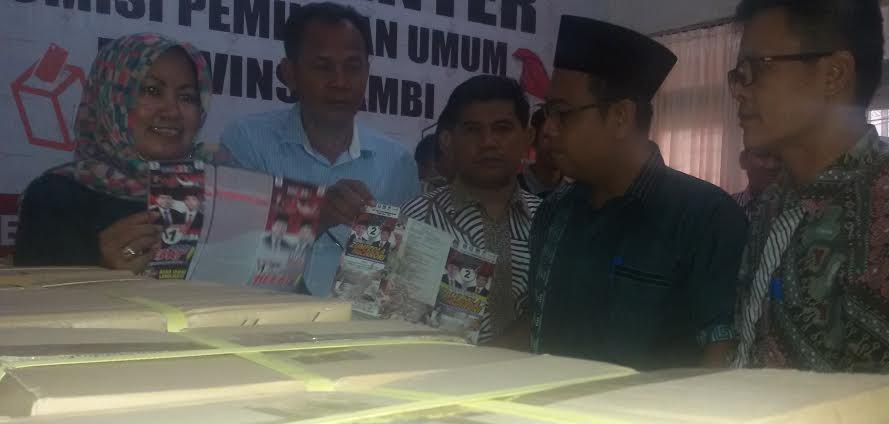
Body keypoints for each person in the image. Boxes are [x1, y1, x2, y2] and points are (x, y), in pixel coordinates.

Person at [529, 16, 748, 370]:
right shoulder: (554, 211)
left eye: (562, 114)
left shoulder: (706, 218)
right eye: (546, 113)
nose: (548, 130)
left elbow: (720, 356)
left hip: (656, 408)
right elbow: (536, 325)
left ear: (620, 117)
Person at [718, 0, 889, 373]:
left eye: (759, 68)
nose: (739, 91)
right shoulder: (775, 201)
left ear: (834, 75)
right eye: (739, 74)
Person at [220, 2, 419, 296]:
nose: (340, 82)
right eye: (323, 66)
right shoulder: (248, 142)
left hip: (361, 321)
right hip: (264, 316)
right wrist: (311, 218)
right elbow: (226, 257)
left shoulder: (398, 163)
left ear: (367, 73)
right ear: (289, 73)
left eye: (353, 67)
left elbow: (406, 275)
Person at [15, 34, 212, 272]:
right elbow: (36, 293)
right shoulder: (55, 197)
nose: (172, 111)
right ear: (110, 98)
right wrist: (101, 266)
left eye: (186, 97)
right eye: (152, 90)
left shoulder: (216, 193)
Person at [402, 76, 541, 346]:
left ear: (527, 138)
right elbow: (389, 328)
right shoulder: (415, 220)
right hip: (437, 370)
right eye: (473, 130)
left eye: (502, 128)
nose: (488, 142)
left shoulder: (548, 220)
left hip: (545, 372)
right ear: (447, 141)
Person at [518, 108, 564, 198]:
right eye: (547, 137)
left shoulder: (578, 191)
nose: (556, 144)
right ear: (533, 139)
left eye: (562, 136)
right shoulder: (513, 188)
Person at [732, 148, 782, 214]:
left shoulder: (793, 209)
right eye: (763, 155)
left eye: (779, 158)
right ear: (744, 160)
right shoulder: (727, 205)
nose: (771, 165)